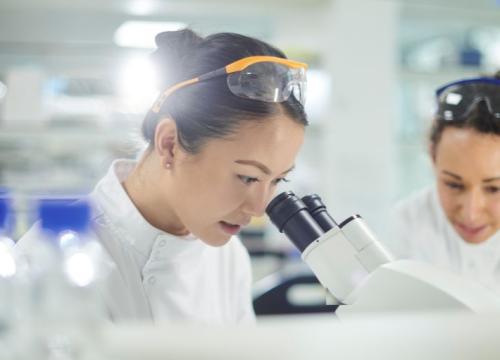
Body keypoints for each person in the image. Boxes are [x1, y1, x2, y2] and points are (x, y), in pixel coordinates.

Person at [16, 29, 308, 323]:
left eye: (277, 180)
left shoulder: (229, 259)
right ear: (169, 145)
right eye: (247, 177)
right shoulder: (53, 258)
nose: (259, 208)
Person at [389, 72, 500, 294]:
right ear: (432, 156)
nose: (471, 214)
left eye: (495, 188)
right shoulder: (405, 223)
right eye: (454, 185)